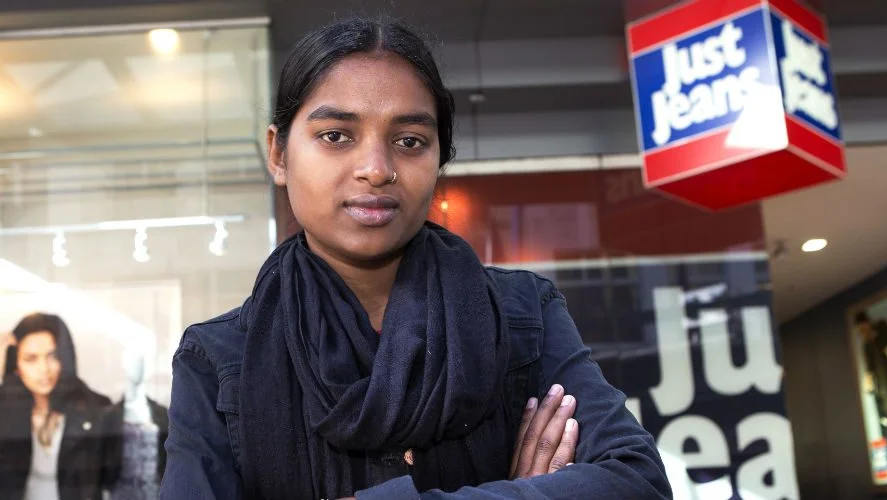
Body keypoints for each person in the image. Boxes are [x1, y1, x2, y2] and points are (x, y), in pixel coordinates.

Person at [161, 17, 670, 500]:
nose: (377, 169)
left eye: (410, 141)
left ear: (439, 160)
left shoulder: (520, 314)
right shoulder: (220, 357)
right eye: (336, 135)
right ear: (278, 154)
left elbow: (636, 482)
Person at [0, 313, 113, 500]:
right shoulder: (10, 411)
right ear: (16, 366)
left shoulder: (94, 408)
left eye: (52, 356)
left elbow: (113, 478)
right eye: (31, 359)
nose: (44, 368)